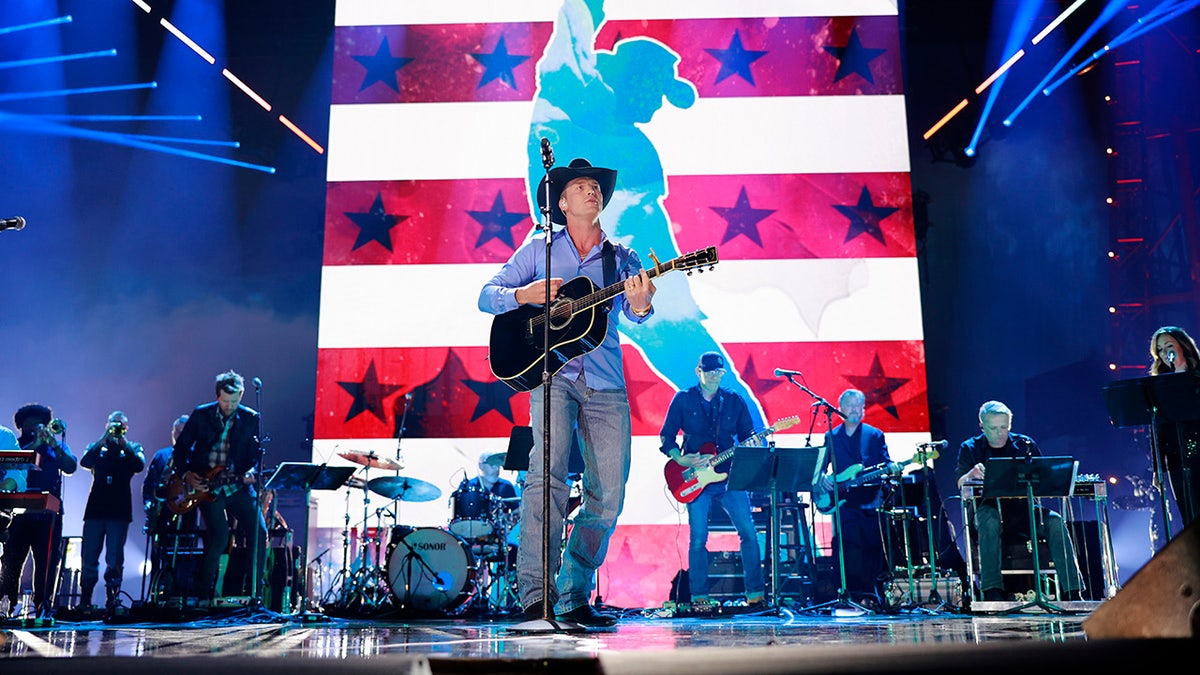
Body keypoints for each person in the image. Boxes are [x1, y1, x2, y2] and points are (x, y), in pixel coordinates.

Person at [478, 157, 655, 626]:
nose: (592, 191)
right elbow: (486, 294)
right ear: (561, 202)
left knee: (609, 493)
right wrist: (523, 296)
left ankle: (574, 593)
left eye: (596, 186)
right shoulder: (539, 250)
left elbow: (637, 314)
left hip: (604, 382)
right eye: (580, 186)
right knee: (544, 480)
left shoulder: (623, 259)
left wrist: (640, 306)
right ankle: (536, 597)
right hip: (550, 376)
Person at [659, 351, 766, 610]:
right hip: (695, 477)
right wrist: (681, 460)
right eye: (710, 372)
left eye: (719, 372)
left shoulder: (733, 400)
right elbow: (667, 438)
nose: (715, 377)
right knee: (698, 539)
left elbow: (748, 433)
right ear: (699, 372)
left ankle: (755, 594)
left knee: (748, 533)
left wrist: (755, 441)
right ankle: (699, 596)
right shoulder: (683, 399)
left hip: (729, 475)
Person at [956, 400, 1083, 602]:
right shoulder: (970, 448)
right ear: (982, 426)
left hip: (1024, 510)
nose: (999, 433)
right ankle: (992, 592)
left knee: (1056, 521)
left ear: (1010, 425)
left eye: (1004, 427)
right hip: (988, 510)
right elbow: (960, 484)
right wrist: (971, 474)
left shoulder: (1025, 444)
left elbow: (1045, 477)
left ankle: (1072, 592)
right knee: (989, 520)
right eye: (993, 428)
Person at [172, 371, 268, 603]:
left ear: (242, 395)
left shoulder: (251, 418)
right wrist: (186, 474)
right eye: (225, 401)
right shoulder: (201, 414)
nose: (229, 406)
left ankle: (254, 595)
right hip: (206, 486)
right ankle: (204, 596)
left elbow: (255, 457)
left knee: (259, 532)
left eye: (234, 401)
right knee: (219, 537)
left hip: (236, 485)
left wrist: (250, 473)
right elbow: (181, 449)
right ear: (217, 396)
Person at [816, 389, 897, 602]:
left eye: (858, 405)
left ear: (864, 409)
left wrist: (893, 468)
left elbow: (886, 463)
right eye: (850, 405)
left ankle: (872, 594)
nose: (854, 409)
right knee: (846, 547)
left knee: (872, 546)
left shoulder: (874, 435)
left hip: (870, 500)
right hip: (842, 502)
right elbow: (821, 468)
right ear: (840, 408)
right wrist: (822, 477)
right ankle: (847, 593)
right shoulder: (831, 436)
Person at [0, 404, 77, 618]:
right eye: (30, 422)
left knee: (47, 560)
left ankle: (44, 605)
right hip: (18, 511)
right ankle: (6, 605)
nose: (35, 425)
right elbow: (14, 460)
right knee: (12, 559)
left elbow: (71, 466)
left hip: (48, 513)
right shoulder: (16, 443)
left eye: (39, 422)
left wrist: (53, 444)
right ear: (22, 425)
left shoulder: (55, 445)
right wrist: (36, 444)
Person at [78, 411, 146, 612]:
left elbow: (139, 465)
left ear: (126, 428)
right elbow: (84, 462)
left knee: (114, 557)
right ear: (106, 425)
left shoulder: (133, 448)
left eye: (120, 425)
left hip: (119, 510)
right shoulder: (97, 447)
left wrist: (124, 444)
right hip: (95, 509)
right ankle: (85, 600)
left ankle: (112, 599)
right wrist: (102, 439)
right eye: (113, 425)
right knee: (89, 556)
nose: (116, 429)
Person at [1148, 326, 1200, 526]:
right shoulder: (1160, 385)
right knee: (1189, 516)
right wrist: (1158, 469)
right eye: (1160, 349)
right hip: (1177, 459)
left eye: (1169, 345)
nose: (1165, 351)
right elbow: (1157, 431)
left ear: (1183, 345)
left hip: (1197, 450)